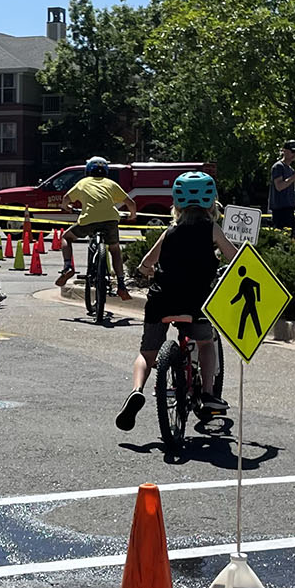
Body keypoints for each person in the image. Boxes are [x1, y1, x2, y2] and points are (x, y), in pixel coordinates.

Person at [115, 171, 237, 430]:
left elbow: (145, 263)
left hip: (161, 300)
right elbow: (235, 259)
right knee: (205, 343)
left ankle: (136, 391)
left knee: (147, 354)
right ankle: (206, 394)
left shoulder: (170, 231)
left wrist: (148, 272)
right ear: (212, 203)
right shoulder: (212, 228)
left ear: (177, 203)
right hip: (196, 302)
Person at [53, 156, 134, 301]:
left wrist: (68, 208)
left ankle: (67, 267)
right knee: (115, 250)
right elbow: (130, 202)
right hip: (111, 220)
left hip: (88, 220)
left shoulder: (83, 183)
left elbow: (65, 199)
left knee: (66, 237)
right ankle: (121, 284)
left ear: (88, 170)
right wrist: (132, 215)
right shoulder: (111, 184)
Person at [269, 141, 295, 232]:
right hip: (279, 209)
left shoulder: (290, 170)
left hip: (289, 209)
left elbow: (290, 191)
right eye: (292, 151)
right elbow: (279, 186)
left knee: (292, 237)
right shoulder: (278, 167)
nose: (294, 154)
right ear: (284, 151)